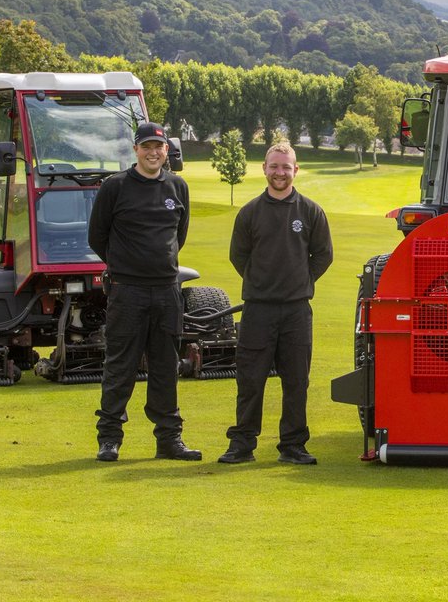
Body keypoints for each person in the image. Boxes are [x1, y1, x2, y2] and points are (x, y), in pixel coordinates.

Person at [89, 122, 200, 462]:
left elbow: (178, 236)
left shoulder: (177, 187)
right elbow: (98, 236)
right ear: (136, 149)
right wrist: (128, 265)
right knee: (120, 366)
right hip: (128, 292)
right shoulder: (115, 187)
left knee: (166, 367)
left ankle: (169, 439)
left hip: (167, 292)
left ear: (167, 150)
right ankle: (109, 438)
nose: (153, 152)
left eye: (159, 146)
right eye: (147, 146)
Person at [218, 141, 333, 466]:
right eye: (274, 166)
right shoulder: (250, 212)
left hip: (296, 311)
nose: (280, 172)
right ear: (264, 169)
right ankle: (242, 445)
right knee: (250, 380)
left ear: (295, 170)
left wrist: (301, 281)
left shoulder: (310, 211)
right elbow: (238, 256)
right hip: (257, 310)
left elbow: (323, 255)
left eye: (286, 166)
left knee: (296, 380)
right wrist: (260, 281)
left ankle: (293, 446)